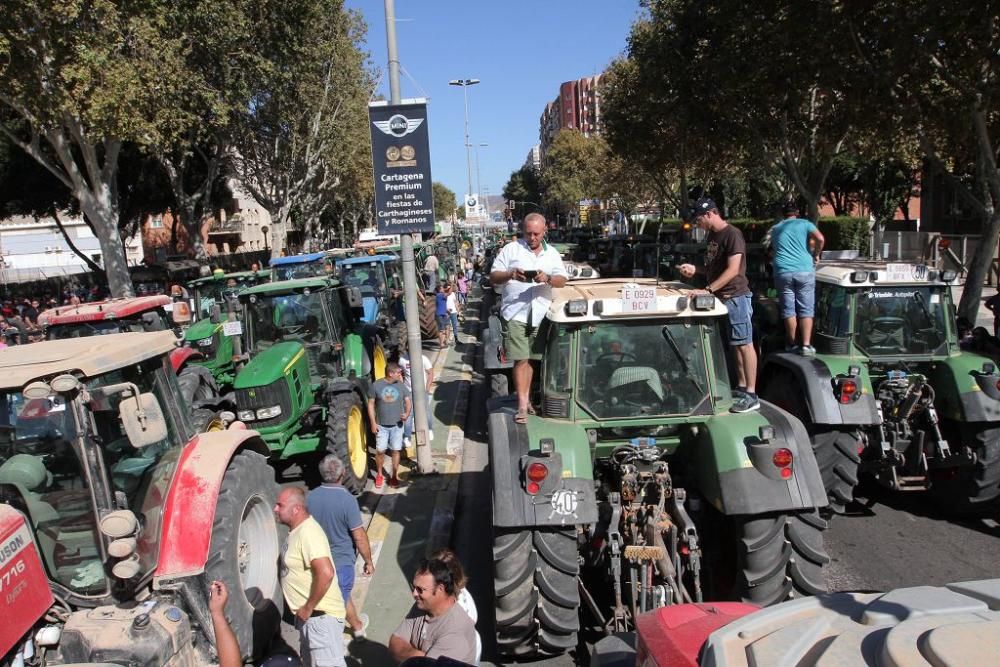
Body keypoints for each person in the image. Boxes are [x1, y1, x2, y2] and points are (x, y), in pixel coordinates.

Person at [678, 197, 759, 413]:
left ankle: (752, 393)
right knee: (735, 345)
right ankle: (742, 388)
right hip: (722, 298)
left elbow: (733, 270)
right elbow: (715, 268)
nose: (698, 225)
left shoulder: (732, 234)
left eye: (698, 220)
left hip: (736, 296)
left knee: (745, 343)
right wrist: (696, 271)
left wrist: (708, 290)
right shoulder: (713, 236)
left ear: (709, 214)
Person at [490, 213, 568, 423]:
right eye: (528, 233)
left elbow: (562, 280)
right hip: (516, 311)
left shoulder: (551, 254)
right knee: (521, 357)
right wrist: (511, 275)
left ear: (544, 232)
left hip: (541, 312)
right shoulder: (511, 249)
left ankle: (531, 399)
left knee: (534, 358)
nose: (532, 237)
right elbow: (493, 275)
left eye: (536, 233)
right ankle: (522, 406)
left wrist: (548, 278)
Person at [274, 487, 347, 667]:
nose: (275, 509)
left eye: (280, 505)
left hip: (319, 620)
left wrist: (308, 607)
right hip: (311, 620)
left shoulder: (308, 533)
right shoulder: (298, 532)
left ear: (296, 509)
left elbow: (326, 572)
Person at [308, 455, 375, 639]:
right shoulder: (347, 500)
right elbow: (359, 536)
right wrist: (368, 561)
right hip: (341, 563)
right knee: (339, 600)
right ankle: (350, 633)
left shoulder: (310, 498)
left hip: (317, 562)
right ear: (343, 473)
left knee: (338, 596)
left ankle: (357, 626)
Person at [389, 558, 477, 665]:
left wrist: (411, 653)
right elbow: (395, 643)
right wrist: (421, 657)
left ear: (440, 589)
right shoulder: (422, 605)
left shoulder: (455, 634)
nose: (414, 594)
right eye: (414, 587)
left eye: (420, 590)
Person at [768, 202, 825, 356]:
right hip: (804, 269)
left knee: (788, 309)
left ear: (782, 213)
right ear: (797, 212)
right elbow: (820, 238)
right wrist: (816, 254)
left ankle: (792, 344)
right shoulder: (805, 224)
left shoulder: (777, 228)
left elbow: (772, 249)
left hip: (783, 271)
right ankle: (806, 345)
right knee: (806, 308)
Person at [368, 361, 412, 489]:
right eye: (398, 372)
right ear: (390, 373)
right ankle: (380, 474)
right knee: (380, 451)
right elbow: (371, 405)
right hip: (381, 426)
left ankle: (393, 476)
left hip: (397, 426)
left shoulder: (401, 385)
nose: (400, 374)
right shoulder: (376, 386)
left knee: (396, 451)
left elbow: (408, 401)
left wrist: (407, 413)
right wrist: (373, 422)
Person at [398, 339, 434, 446]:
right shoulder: (402, 360)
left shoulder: (423, 359)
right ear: (407, 347)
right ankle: (407, 437)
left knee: (426, 411)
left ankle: (430, 430)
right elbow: (400, 373)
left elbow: (430, 373)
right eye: (409, 346)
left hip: (422, 391)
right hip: (408, 391)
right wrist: (402, 386)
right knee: (408, 414)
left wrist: (427, 389)